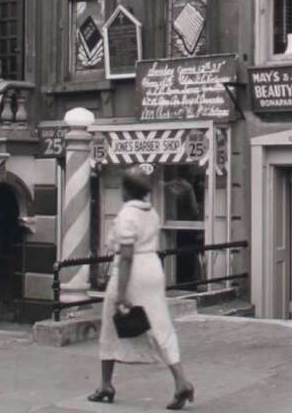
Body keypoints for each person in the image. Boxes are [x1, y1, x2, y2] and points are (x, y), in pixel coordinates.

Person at [90, 165, 194, 409]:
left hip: (132, 270)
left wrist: (121, 294)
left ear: (125, 190)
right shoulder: (151, 212)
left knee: (110, 323)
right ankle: (181, 380)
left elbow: (126, 256)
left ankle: (106, 384)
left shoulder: (127, 215)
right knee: (160, 324)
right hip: (152, 268)